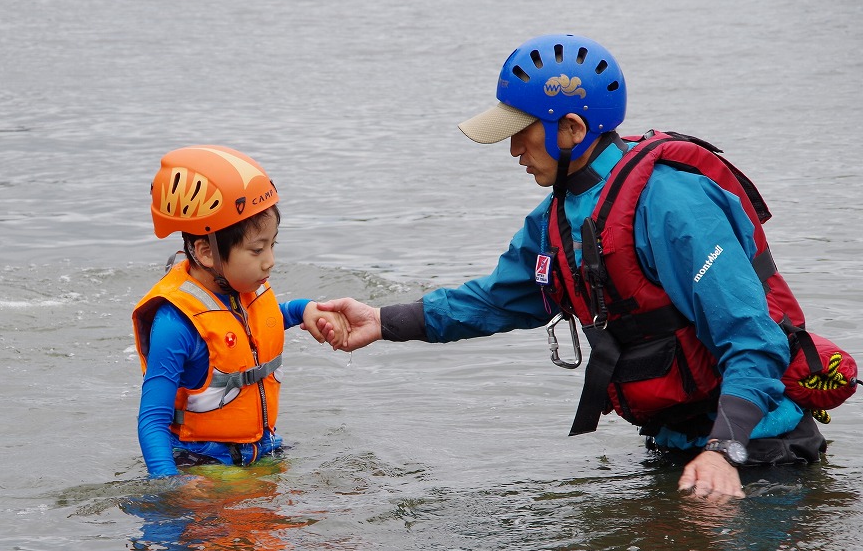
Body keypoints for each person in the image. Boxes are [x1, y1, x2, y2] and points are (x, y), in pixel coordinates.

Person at [318, 33, 836, 502]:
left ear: (571, 128)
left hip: (761, 454)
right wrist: (384, 322)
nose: (514, 148)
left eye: (523, 131)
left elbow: (753, 340)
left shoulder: (675, 205)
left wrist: (725, 451)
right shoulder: (556, 218)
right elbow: (496, 299)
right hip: (681, 450)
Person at [133, 145, 347, 478]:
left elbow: (253, 324)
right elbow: (152, 420)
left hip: (262, 450)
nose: (270, 260)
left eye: (273, 245)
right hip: (203, 466)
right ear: (206, 252)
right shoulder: (175, 325)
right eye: (257, 249)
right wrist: (170, 485)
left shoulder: (243, 293)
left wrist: (302, 310)